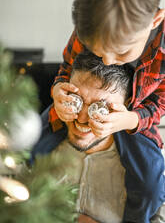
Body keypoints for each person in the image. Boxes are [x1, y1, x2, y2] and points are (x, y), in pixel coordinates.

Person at [48, 0, 165, 222]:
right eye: (98, 50)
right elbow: (65, 69)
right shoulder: (89, 26)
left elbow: (160, 103)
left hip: (133, 120)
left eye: (122, 52)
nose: (108, 60)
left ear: (155, 20)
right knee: (31, 143)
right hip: (85, 98)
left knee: (150, 186)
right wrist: (58, 90)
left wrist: (131, 120)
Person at [31, 53, 165, 223]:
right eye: (75, 100)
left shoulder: (143, 173)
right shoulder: (38, 148)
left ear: (125, 106)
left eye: (100, 108)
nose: (82, 119)